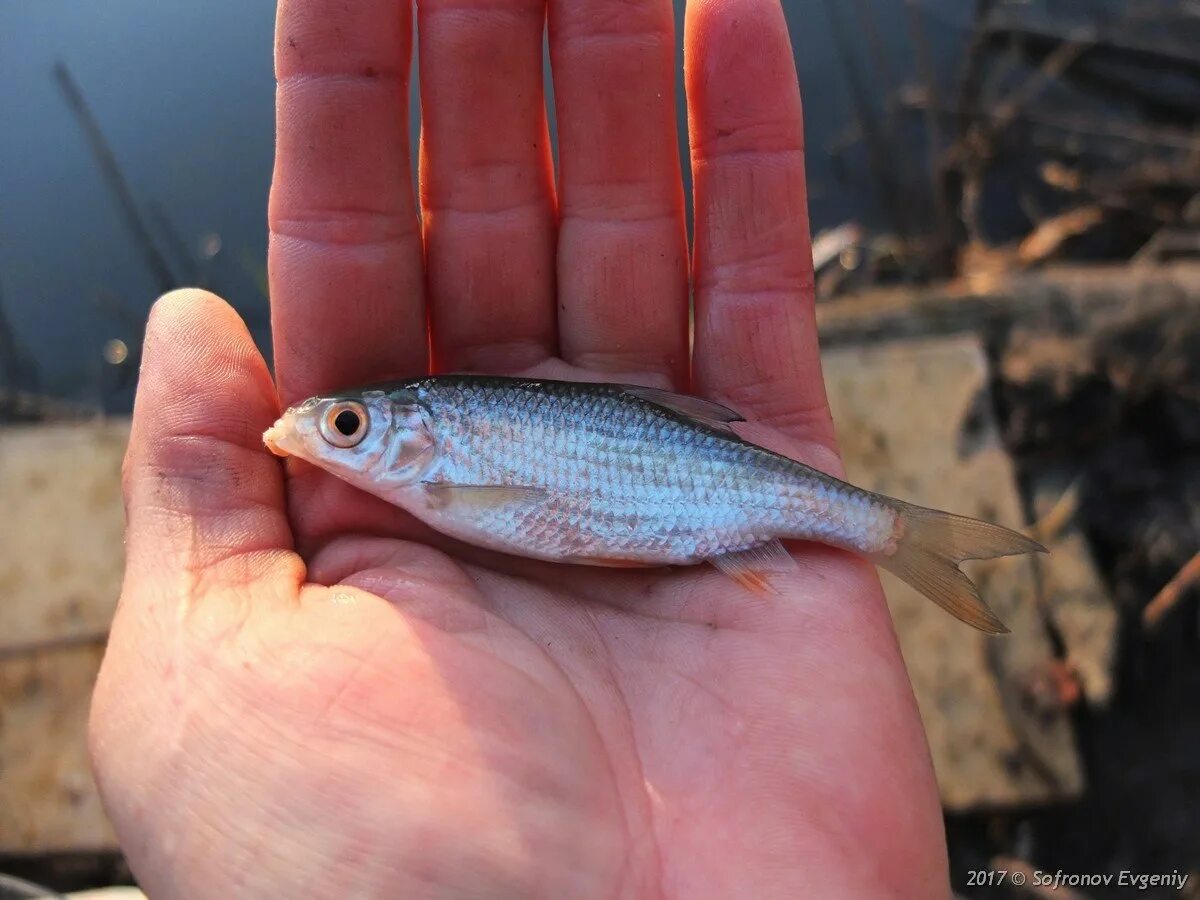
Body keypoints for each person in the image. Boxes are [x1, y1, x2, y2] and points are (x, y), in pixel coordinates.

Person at [88, 0, 951, 895]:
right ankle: (897, 533)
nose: (330, 437)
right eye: (343, 425)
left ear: (419, 435)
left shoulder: (443, 484)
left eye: (348, 427)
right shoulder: (429, 488)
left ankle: (898, 534)